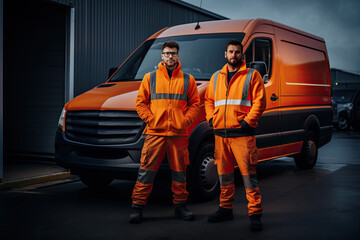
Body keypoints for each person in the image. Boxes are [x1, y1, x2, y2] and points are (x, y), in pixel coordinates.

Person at [129, 40, 200, 224]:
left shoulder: (188, 80)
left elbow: (195, 105)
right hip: (155, 133)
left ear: (178, 55)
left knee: (179, 172)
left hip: (178, 134)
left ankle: (180, 207)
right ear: (162, 56)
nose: (170, 56)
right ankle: (137, 207)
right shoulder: (149, 78)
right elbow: (140, 103)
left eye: (173, 53)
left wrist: (185, 120)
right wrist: (152, 119)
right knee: (146, 171)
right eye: (167, 53)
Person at [204, 39, 266, 231]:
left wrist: (247, 122)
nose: (233, 55)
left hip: (242, 135)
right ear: (225, 54)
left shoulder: (252, 75)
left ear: (242, 55)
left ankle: (255, 214)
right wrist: (211, 119)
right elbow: (208, 100)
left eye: (237, 52)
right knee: (225, 175)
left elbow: (260, 102)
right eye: (230, 52)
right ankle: (225, 209)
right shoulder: (216, 77)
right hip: (221, 136)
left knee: (249, 176)